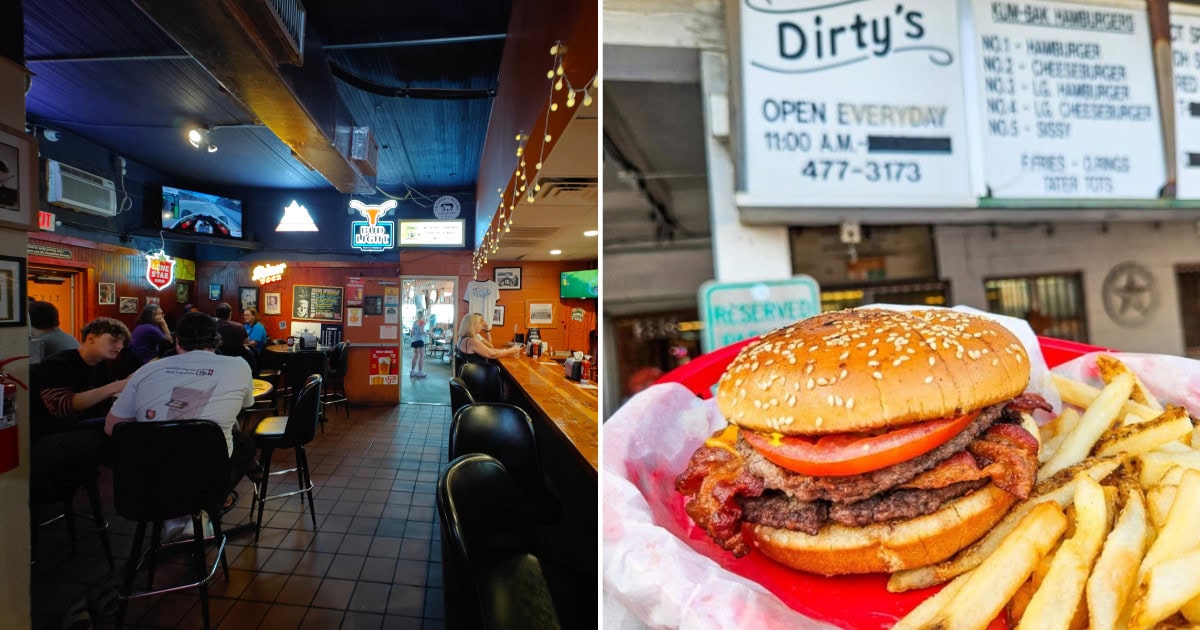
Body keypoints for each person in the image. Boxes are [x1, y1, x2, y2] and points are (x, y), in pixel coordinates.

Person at [105, 311, 255, 490]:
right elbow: (247, 404)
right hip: (207, 473)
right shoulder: (239, 365)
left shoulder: (147, 369)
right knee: (246, 444)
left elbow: (111, 427)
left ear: (177, 342)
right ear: (217, 340)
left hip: (147, 478)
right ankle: (213, 503)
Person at [30, 318, 131, 488]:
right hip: (50, 435)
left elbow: (113, 392)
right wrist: (116, 385)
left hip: (80, 427)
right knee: (122, 438)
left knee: (128, 429)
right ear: (91, 338)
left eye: (122, 342)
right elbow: (62, 407)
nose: (120, 346)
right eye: (114, 340)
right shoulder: (57, 364)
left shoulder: (99, 365)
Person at [455, 312, 521, 368]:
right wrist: (511, 351)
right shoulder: (471, 341)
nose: (482, 325)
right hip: (478, 376)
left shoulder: (465, 338)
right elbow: (492, 354)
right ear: (473, 325)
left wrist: (505, 350)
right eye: (480, 323)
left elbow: (488, 349)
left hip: (473, 374)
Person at [410, 310, 428, 378]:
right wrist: (428, 333)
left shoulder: (414, 322)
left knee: (415, 355)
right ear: (423, 315)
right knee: (421, 356)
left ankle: (412, 371)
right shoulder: (422, 322)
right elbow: (421, 331)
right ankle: (420, 372)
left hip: (414, 340)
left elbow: (412, 332)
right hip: (420, 340)